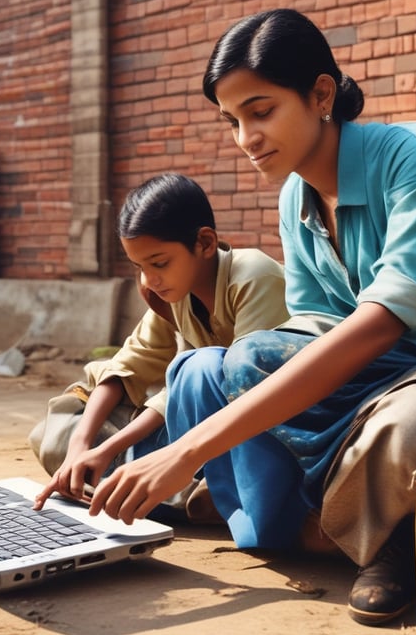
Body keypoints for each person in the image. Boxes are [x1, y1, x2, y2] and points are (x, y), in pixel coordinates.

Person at [84, 9, 416, 626]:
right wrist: (227, 388)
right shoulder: (297, 196)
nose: (246, 138)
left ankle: (360, 531)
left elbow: (382, 321)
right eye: (232, 120)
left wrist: (186, 450)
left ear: (320, 94)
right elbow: (314, 327)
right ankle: (360, 520)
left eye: (260, 112)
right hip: (374, 382)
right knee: (220, 364)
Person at [32, 172, 290, 513]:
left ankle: (206, 491)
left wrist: (109, 450)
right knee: (60, 432)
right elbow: (127, 366)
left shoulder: (254, 276)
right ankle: (184, 491)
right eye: (139, 266)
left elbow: (235, 391)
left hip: (253, 428)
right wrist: (79, 448)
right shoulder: (172, 292)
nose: (150, 279)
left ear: (206, 243)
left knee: (202, 367)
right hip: (192, 428)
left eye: (159, 263)